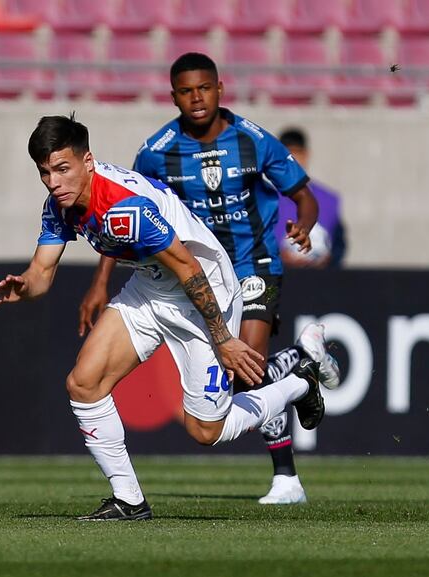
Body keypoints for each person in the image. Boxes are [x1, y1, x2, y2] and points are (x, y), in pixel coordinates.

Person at [0, 114, 327, 520]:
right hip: (151, 288)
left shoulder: (125, 207)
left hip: (204, 291)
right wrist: (24, 286)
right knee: (84, 383)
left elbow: (189, 268)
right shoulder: (59, 205)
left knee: (206, 431)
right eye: (45, 172)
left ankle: (298, 384)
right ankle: (129, 500)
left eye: (62, 169)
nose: (53, 181)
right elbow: (42, 274)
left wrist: (221, 337)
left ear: (88, 161)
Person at [78, 53, 340, 505]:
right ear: (174, 95)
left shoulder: (253, 140)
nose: (196, 98)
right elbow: (124, 219)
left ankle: (285, 476)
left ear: (220, 88)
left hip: (252, 262)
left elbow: (303, 195)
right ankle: (298, 370)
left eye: (204, 88)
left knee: (248, 365)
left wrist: (304, 223)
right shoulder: (158, 150)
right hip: (197, 268)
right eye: (185, 91)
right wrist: (101, 282)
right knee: (244, 378)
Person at [276, 127, 347, 269]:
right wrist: (279, 256)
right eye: (288, 155)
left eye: (298, 153)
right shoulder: (265, 198)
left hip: (320, 281)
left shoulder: (329, 199)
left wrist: (328, 259)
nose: (294, 160)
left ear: (306, 154)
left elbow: (339, 244)